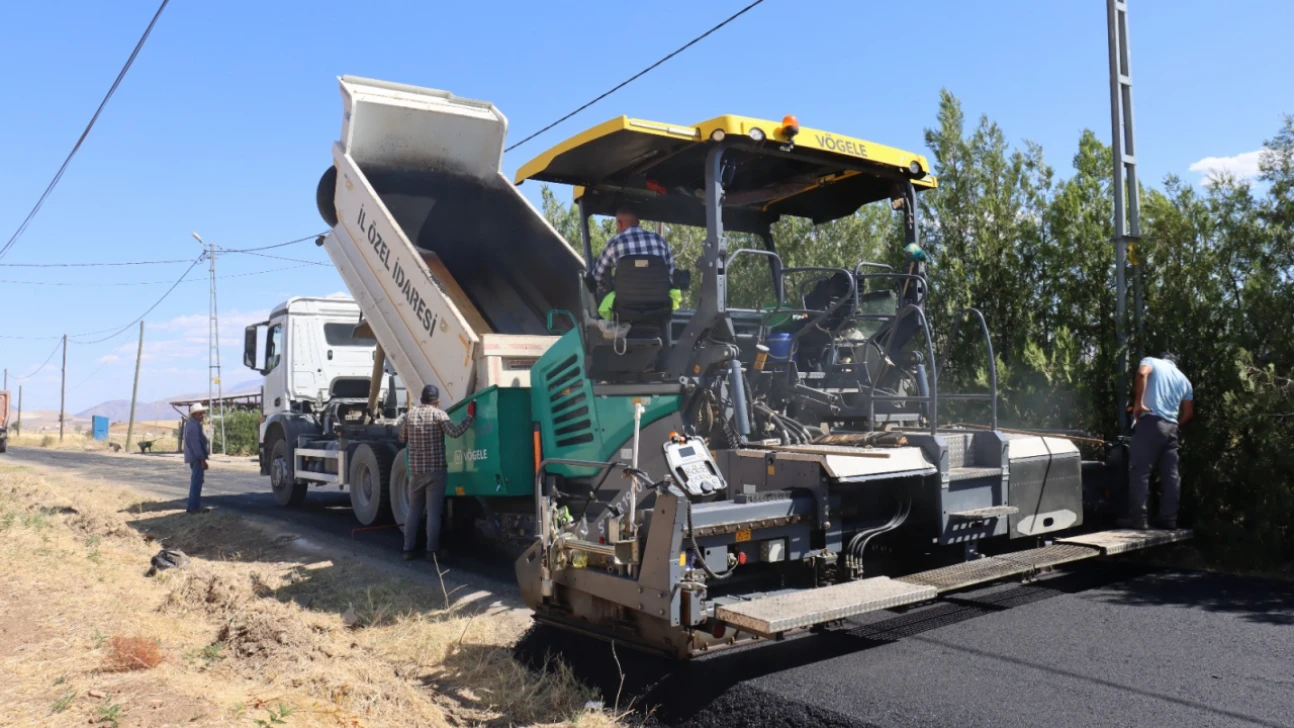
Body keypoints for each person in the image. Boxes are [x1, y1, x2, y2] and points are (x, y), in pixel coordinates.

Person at [398, 384, 475, 560]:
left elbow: (402, 438)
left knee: (413, 510)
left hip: (416, 472)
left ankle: (407, 550)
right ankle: (431, 551)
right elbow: (455, 433)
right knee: (433, 512)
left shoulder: (409, 416)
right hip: (436, 472)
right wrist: (470, 417)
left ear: (421, 399)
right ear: (437, 401)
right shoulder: (439, 415)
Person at [1121, 353, 1195, 530]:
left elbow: (1141, 374)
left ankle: (1139, 520)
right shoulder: (1184, 380)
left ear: (1163, 359)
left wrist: (1138, 404)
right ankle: (1169, 519)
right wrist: (1176, 426)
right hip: (1171, 428)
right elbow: (1188, 413)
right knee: (1171, 476)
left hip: (1150, 422)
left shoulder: (1151, 361)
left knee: (1140, 471)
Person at [591, 205, 681, 318]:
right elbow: (672, 275)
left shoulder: (614, 243)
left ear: (619, 223)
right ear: (638, 222)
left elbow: (597, 277)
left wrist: (611, 288)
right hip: (659, 309)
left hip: (623, 309)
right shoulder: (660, 241)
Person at [183, 403, 211, 513]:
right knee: (196, 482)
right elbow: (196, 444)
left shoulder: (191, 424)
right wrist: (202, 459)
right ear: (194, 414)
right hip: (197, 458)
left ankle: (193, 506)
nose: (203, 415)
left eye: (203, 413)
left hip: (194, 457)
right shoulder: (194, 426)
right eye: (200, 413)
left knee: (196, 481)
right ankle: (194, 508)